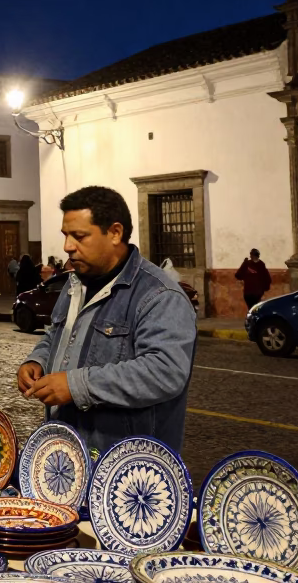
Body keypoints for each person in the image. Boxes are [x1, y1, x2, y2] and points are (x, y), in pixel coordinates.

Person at [15, 186, 197, 456]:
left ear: (115, 233)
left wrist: (76, 386)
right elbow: (57, 333)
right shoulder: (74, 283)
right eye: (66, 235)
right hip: (68, 459)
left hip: (126, 472)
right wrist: (38, 360)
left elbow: (165, 372)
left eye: (79, 236)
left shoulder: (160, 295)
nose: (67, 246)